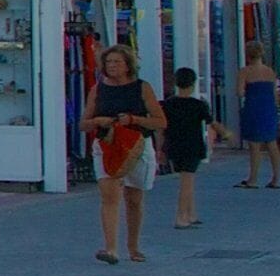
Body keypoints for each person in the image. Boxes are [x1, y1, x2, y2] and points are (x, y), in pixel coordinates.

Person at [88, 43, 156, 264]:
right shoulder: (98, 89)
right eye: (109, 62)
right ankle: (111, 249)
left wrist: (133, 119)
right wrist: (96, 121)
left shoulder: (142, 88)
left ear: (128, 65)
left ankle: (133, 246)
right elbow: (83, 122)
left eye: (117, 62)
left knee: (134, 198)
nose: (113, 66)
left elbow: (160, 120)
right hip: (106, 145)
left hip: (135, 146)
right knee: (109, 196)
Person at [164, 67, 219, 231]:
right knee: (187, 182)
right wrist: (225, 133)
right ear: (193, 84)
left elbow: (162, 128)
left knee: (186, 180)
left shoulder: (168, 104)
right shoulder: (198, 105)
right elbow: (211, 122)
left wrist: (161, 148)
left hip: (174, 144)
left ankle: (191, 213)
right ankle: (181, 217)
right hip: (193, 146)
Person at [242, 51, 280, 191]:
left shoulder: (245, 71)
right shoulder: (270, 72)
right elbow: (274, 93)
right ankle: (276, 179)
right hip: (268, 108)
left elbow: (239, 91)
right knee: (272, 143)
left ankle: (253, 179)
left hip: (253, 107)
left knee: (254, 145)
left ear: (249, 56)